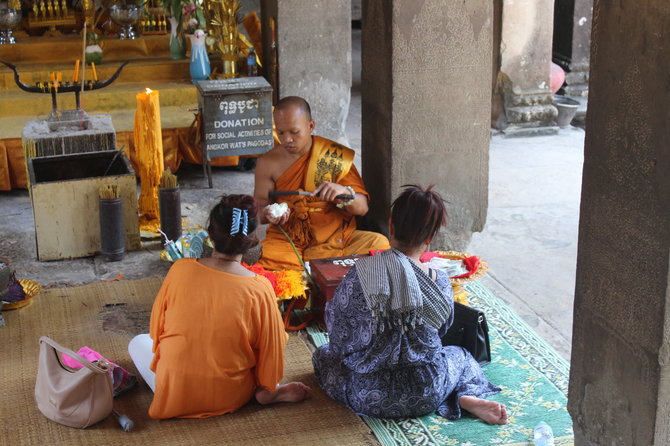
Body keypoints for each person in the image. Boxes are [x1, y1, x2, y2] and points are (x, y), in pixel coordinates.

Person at [312, 185, 508, 424]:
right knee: (461, 355)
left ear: (391, 226)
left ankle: (462, 397)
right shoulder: (440, 282)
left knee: (323, 355)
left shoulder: (360, 276)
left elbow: (340, 335)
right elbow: (441, 332)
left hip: (369, 395)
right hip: (427, 391)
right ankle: (465, 396)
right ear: (429, 237)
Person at [128, 194, 311, 419]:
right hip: (232, 394)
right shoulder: (259, 287)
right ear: (252, 238)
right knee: (265, 337)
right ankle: (267, 391)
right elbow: (271, 346)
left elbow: (157, 329)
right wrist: (267, 383)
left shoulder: (180, 269)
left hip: (175, 391)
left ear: (210, 235)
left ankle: (179, 378)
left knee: (138, 342)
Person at [254, 96, 390, 271]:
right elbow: (257, 213)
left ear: (310, 126)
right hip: (288, 241)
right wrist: (268, 214)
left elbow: (362, 208)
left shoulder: (333, 157)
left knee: (378, 244)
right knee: (266, 263)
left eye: (294, 132)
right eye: (281, 133)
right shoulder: (267, 163)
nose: (287, 139)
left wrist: (343, 193)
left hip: (336, 239)